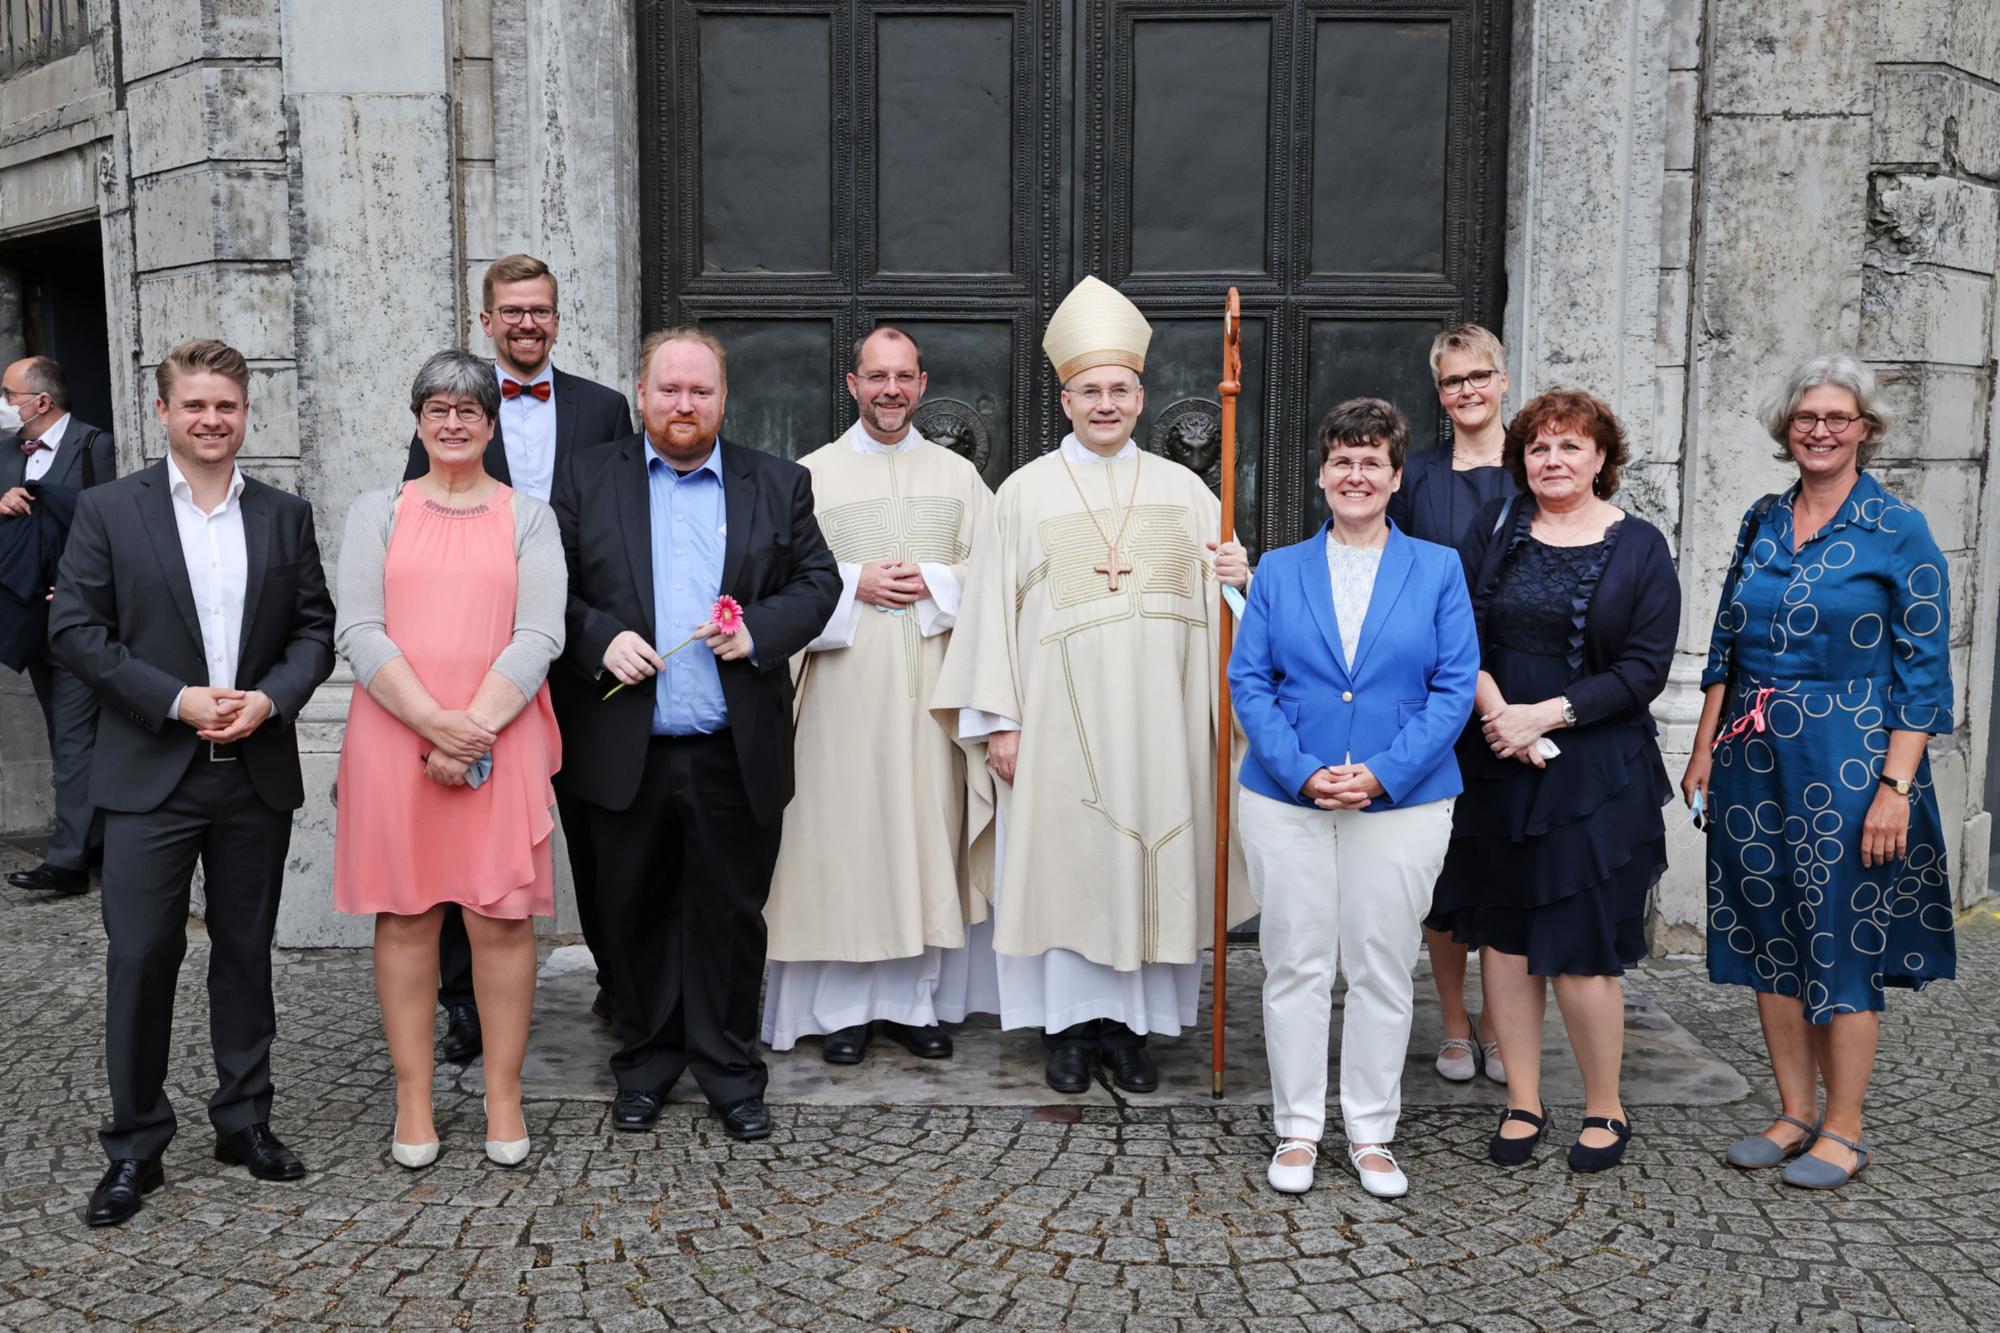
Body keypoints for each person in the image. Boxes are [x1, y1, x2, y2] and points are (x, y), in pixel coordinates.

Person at [931, 276, 1251, 1096]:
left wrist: (1235, 578)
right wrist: (999, 719)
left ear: (1141, 397)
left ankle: (1133, 1031)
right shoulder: (1023, 493)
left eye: (1120, 390)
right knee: (1068, 865)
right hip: (1057, 723)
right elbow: (989, 622)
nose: (1105, 404)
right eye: (1090, 391)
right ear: (1064, 399)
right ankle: (1070, 1031)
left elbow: (1227, 617)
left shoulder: (1189, 493)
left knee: (1150, 854)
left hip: (1162, 722)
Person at [48, 339, 335, 1226]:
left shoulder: (284, 515)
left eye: (228, 406)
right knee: (141, 958)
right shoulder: (108, 510)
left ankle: (244, 1121)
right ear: (165, 412)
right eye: (195, 405)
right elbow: (78, 635)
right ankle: (135, 1146)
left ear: (247, 413)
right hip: (148, 775)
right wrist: (174, 699)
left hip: (252, 770)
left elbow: (315, 632)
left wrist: (272, 699)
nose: (212, 420)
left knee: (245, 955)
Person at [552, 327, 840, 1140]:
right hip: (623, 750)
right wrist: (596, 637)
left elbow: (819, 582)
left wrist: (760, 631)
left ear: (723, 399)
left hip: (730, 751)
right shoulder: (584, 479)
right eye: (669, 389)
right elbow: (548, 589)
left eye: (700, 391)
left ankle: (729, 1070)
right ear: (641, 394)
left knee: (731, 917)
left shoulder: (778, 483)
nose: (684, 404)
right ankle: (644, 1064)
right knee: (629, 914)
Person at [1683, 354, 1954, 1191]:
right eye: (1807, 417)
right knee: (1771, 934)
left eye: (1839, 417)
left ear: (1865, 430)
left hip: (1851, 758)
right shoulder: (1762, 518)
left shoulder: (1897, 530)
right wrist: (1702, 747)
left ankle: (1845, 1126)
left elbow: (1923, 673)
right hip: (1753, 756)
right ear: (1785, 429)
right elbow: (1727, 643)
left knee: (1840, 937)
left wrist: (1895, 788)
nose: (1821, 430)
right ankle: (1795, 1109)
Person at [1424, 388, 1679, 1174]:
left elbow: (1644, 669)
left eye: (1571, 446)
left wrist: (1548, 716)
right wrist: (1502, 716)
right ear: (1521, 459)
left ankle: (1605, 1104)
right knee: (1501, 937)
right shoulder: (1494, 528)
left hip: (1595, 774)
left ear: (1603, 457)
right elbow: (1456, 626)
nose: (1553, 460)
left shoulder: (1640, 547)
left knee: (1581, 947)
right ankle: (1523, 1100)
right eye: (1539, 447)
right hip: (1497, 761)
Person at [1232, 399, 1478, 1198]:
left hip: (1401, 800)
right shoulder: (1278, 569)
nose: (1357, 474)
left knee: (1380, 965)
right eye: (1343, 460)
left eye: (1373, 461)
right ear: (1322, 474)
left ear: (1396, 477)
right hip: (1287, 795)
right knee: (1296, 962)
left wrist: (1380, 773)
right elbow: (1250, 680)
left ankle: (1372, 1131)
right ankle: (1298, 1128)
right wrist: (1304, 770)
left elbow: (1451, 689)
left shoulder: (1438, 568)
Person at [335, 349, 566, 1169]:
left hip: (500, 739)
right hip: (398, 737)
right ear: (419, 420)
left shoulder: (529, 516)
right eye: (438, 407)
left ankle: (503, 1094)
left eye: (470, 409)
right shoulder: (378, 511)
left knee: (501, 918)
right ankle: (414, 1097)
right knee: (405, 916)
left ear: (491, 424)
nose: (454, 421)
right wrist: (436, 724)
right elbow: (358, 628)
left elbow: (542, 631)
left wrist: (474, 728)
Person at [403, 255, 634, 1067]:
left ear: (557, 321)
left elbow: (623, 528)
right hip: (476, 660)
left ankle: (620, 977)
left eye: (540, 310)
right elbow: (418, 522)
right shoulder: (452, 406)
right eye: (512, 310)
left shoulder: (606, 409)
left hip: (579, 653)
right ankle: (464, 1001)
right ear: (486, 320)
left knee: (600, 823)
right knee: (467, 831)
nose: (527, 323)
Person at [761, 327, 993, 1062]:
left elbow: (995, 575)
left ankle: (915, 1003)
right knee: (845, 844)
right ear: (853, 383)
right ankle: (840, 1012)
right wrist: (851, 581)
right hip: (839, 693)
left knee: (920, 839)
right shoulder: (809, 475)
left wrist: (938, 582)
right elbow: (776, 584)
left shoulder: (959, 479)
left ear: (922, 384)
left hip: (930, 694)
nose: (890, 389)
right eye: (876, 376)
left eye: (903, 376)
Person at [1388, 325, 1518, 1084]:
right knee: (1443, 866)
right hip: (1435, 693)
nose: (1466, 391)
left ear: (1503, 379)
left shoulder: (1537, 467)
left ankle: (1503, 1024)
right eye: (1451, 381)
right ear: (1438, 393)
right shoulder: (1417, 477)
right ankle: (1455, 1023)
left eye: (1479, 376)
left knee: (1507, 864)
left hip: (1520, 690)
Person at [2, 355, 116, 897]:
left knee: (75, 741)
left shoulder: (98, 447)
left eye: (8, 394)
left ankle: (68, 862)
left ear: (41, 402)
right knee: (65, 735)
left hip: (85, 619)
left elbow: (124, 527)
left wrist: (84, 590)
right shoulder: (6, 452)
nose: (3, 405)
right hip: (30, 621)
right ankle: (88, 843)